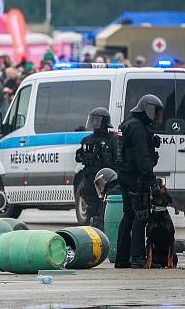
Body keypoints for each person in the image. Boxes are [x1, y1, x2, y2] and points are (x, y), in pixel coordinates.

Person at [116, 94, 163, 269]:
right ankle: (137, 257)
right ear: (148, 110)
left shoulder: (129, 124)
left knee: (128, 217)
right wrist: (151, 181)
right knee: (140, 217)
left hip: (127, 177)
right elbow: (142, 158)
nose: (157, 116)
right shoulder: (138, 129)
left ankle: (122, 258)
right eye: (155, 112)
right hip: (137, 179)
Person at [75, 107, 118, 228]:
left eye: (97, 120)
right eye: (92, 120)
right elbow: (80, 157)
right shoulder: (87, 140)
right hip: (89, 180)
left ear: (104, 122)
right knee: (91, 209)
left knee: (103, 208)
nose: (94, 122)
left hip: (105, 180)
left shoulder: (112, 140)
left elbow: (117, 161)